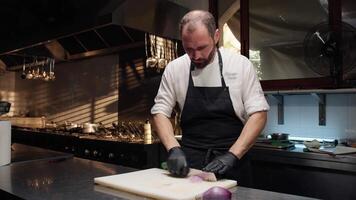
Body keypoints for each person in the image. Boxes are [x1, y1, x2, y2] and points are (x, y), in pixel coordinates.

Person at [151, 10, 269, 183]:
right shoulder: (175, 68)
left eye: (201, 48)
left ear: (216, 36)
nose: (196, 56)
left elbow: (259, 114)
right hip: (190, 163)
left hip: (233, 160)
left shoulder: (240, 65)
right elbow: (160, 111)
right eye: (188, 49)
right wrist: (173, 148)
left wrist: (232, 155)